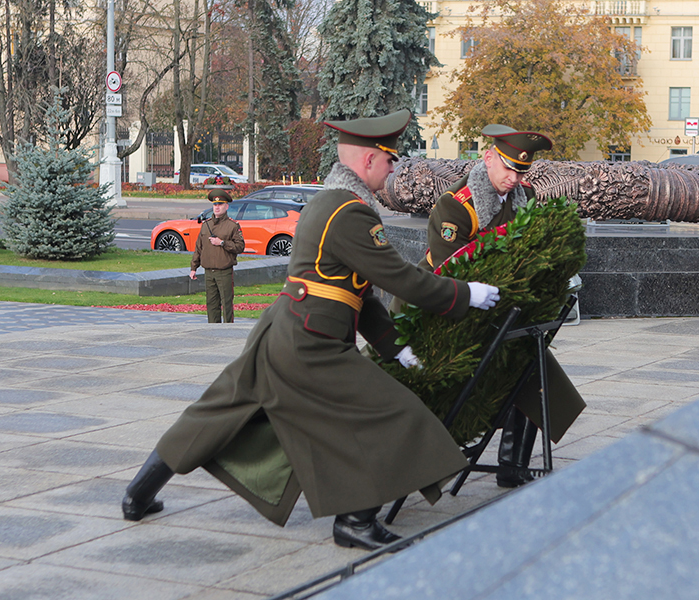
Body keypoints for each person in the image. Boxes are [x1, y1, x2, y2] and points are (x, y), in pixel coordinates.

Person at [121, 109, 502, 552]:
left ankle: (137, 495)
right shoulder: (351, 213)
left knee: (215, 413)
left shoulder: (328, 202)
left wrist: (393, 346)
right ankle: (356, 521)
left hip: (283, 330)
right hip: (311, 344)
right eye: (391, 159)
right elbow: (400, 279)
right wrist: (463, 294)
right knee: (392, 413)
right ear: (368, 161)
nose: (395, 168)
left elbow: (352, 289)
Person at [403, 124, 586, 488]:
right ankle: (420, 462)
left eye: (522, 171)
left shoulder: (523, 196)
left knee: (533, 367)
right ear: (487, 159)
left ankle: (512, 465)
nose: (516, 179)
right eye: (509, 169)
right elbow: (450, 274)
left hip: (499, 312)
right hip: (438, 310)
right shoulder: (456, 207)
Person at [190, 190, 245, 323]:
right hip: (209, 271)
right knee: (211, 304)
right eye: (215, 205)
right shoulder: (206, 225)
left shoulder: (232, 226)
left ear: (226, 206)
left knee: (226, 304)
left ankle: (228, 331)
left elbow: (240, 247)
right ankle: (213, 330)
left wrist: (222, 243)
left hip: (224, 271)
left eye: (220, 204)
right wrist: (194, 267)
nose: (217, 207)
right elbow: (199, 247)